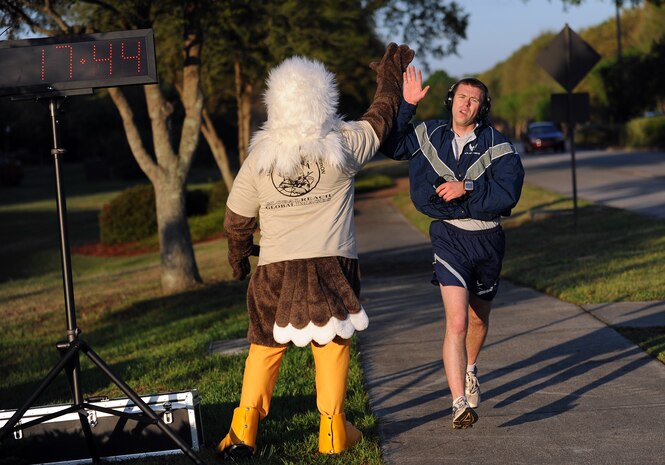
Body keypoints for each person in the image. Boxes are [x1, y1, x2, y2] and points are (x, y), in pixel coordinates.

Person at [216, 43, 414, 460]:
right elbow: (382, 113)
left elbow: (235, 221)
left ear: (275, 103)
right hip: (332, 263)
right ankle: (332, 429)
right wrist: (390, 75)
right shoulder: (344, 143)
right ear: (325, 98)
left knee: (264, 346)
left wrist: (239, 261)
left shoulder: (259, 159)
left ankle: (244, 429)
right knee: (333, 345)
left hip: (274, 268)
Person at [379, 66, 524, 429]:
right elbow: (392, 145)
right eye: (462, 97)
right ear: (450, 100)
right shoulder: (428, 134)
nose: (466, 104)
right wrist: (406, 106)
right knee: (457, 321)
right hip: (448, 236)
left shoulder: (500, 146)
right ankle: (459, 402)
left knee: (478, 318)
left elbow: (509, 194)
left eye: (474, 100)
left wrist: (468, 189)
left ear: (482, 107)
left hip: (488, 238)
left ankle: (471, 368)